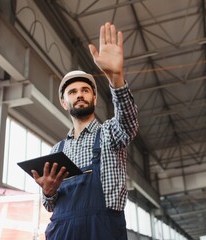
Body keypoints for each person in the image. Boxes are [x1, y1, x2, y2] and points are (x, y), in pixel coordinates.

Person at [32, 22, 139, 240]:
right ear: (64, 102)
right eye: (72, 92)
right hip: (63, 231)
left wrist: (116, 78)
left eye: (85, 90)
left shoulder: (110, 133)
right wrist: (48, 191)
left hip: (103, 230)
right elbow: (49, 205)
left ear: (94, 98)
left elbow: (128, 121)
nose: (79, 94)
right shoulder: (57, 150)